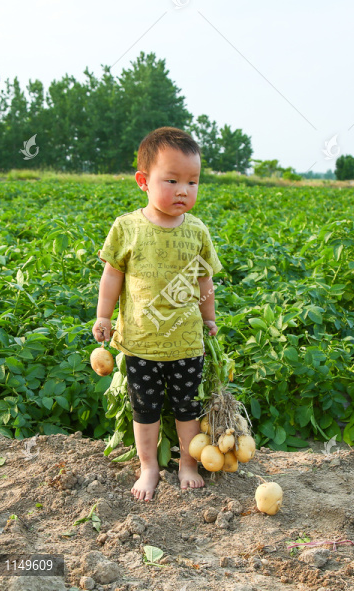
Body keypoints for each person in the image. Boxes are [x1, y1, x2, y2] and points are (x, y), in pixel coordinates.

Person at [92, 126, 222, 501]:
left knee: (187, 407)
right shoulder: (127, 227)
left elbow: (204, 281)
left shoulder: (197, 231)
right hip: (140, 342)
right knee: (144, 409)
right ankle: (148, 465)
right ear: (143, 181)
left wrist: (209, 318)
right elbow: (111, 275)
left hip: (186, 342)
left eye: (193, 182)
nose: (184, 190)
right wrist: (103, 316)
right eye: (172, 180)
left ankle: (188, 463)